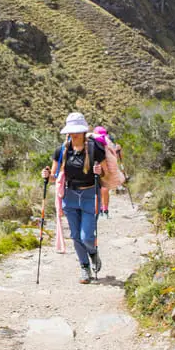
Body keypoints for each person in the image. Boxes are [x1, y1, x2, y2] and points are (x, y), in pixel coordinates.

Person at [41, 112, 106, 284]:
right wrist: (47, 176)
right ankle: (84, 268)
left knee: (87, 237)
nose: (74, 133)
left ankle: (93, 253)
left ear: (84, 130)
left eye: (77, 130)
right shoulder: (62, 150)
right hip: (69, 196)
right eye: (72, 130)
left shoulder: (94, 149)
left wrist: (100, 172)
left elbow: (105, 173)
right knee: (76, 235)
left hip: (90, 195)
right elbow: (55, 176)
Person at [90, 125, 124, 217]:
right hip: (102, 168)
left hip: (103, 169)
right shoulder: (107, 143)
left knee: (103, 189)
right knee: (102, 189)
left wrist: (118, 151)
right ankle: (103, 208)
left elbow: (117, 157)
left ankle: (103, 208)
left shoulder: (105, 143)